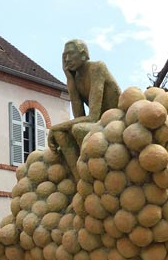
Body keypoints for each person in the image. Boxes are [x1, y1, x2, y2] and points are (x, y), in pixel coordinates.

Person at [48, 39, 121, 178]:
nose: (67, 59)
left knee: (77, 129)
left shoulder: (97, 68)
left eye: (70, 54)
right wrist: (69, 79)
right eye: (64, 56)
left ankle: (92, 175)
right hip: (100, 123)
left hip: (115, 122)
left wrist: (54, 127)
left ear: (83, 54)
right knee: (61, 134)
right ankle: (80, 180)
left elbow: (93, 117)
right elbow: (79, 116)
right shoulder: (76, 79)